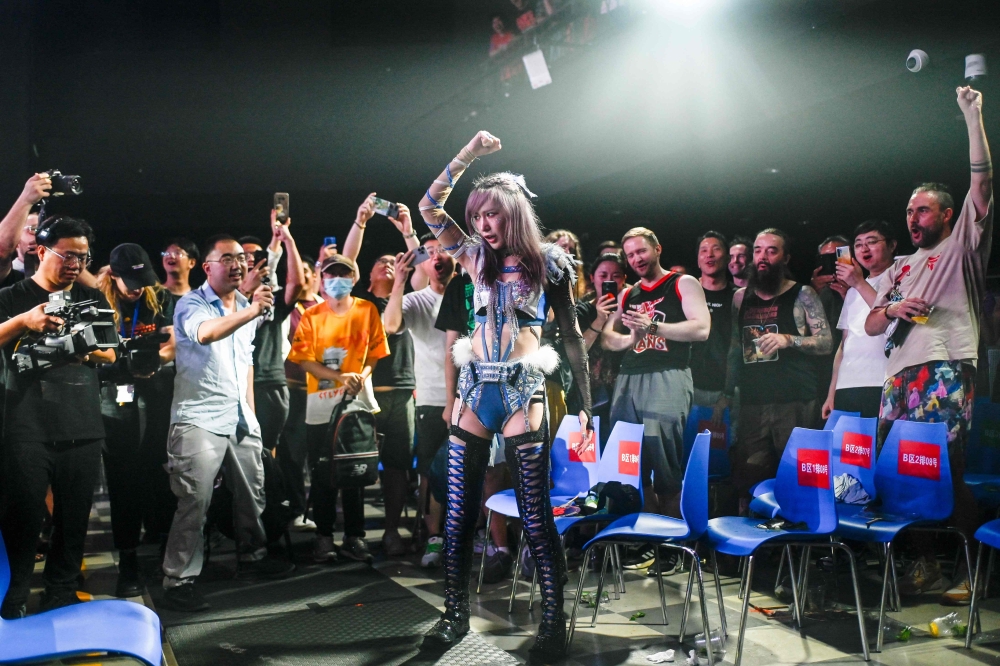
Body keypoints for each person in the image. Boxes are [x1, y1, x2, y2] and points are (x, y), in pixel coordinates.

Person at [416, 130, 592, 658]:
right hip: (475, 390)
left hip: (523, 391)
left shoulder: (550, 263)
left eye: (491, 215)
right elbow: (428, 206)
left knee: (535, 516)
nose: (482, 225)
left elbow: (574, 337)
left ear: (512, 213)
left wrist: (586, 404)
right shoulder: (472, 258)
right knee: (456, 512)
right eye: (477, 216)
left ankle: (553, 622)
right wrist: (468, 152)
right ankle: (452, 616)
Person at [864, 86, 992, 604]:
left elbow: (981, 179)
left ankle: (975, 569)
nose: (913, 218)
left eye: (922, 210)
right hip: (898, 377)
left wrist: (972, 115)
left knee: (946, 471)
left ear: (945, 215)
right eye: (909, 211)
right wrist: (890, 307)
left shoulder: (963, 244)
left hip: (943, 368)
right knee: (897, 475)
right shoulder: (900, 267)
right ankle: (922, 567)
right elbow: (874, 324)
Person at [161, 234, 293, 612]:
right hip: (198, 418)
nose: (238, 264)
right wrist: (252, 311)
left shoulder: (245, 305)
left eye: (241, 258)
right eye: (227, 258)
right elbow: (206, 334)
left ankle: (253, 556)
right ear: (207, 267)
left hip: (238, 416)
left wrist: (250, 414)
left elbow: (245, 364)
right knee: (195, 500)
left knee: (254, 492)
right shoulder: (192, 304)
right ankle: (178, 579)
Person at [0, 216, 116, 618]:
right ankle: (12, 596)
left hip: (82, 422)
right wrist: (24, 322)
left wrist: (80, 348)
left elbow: (111, 353)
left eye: (82, 257)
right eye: (68, 255)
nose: (75, 264)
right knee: (22, 517)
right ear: (41, 251)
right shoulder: (12, 296)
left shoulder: (93, 298)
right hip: (26, 424)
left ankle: (61, 591)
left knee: (74, 518)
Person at [288, 254, 389, 566]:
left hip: (358, 406)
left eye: (344, 274)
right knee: (322, 475)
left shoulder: (367, 309)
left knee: (356, 473)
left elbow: (374, 354)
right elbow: (303, 359)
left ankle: (355, 537)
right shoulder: (312, 315)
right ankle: (324, 537)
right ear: (321, 280)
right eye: (331, 275)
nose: (337, 280)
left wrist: (360, 377)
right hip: (320, 407)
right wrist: (338, 377)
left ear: (354, 278)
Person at [602, 228, 710, 517]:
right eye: (630, 255)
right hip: (628, 379)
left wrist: (652, 327)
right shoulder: (628, 293)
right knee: (630, 463)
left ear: (657, 249)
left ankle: (670, 541)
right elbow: (607, 338)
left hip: (668, 375)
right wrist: (631, 339)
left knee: (664, 464)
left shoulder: (682, 283)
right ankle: (646, 536)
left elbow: (701, 329)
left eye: (641, 251)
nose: (636, 258)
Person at [723, 228, 832, 508]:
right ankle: (753, 547)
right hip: (752, 402)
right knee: (748, 479)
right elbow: (735, 348)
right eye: (758, 250)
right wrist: (727, 391)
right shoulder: (740, 298)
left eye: (772, 251)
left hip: (795, 398)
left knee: (799, 477)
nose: (763, 257)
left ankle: (800, 544)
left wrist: (788, 339)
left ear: (785, 257)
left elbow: (826, 343)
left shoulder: (802, 293)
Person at [341, 193, 420, 557]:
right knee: (358, 465)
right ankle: (354, 534)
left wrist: (408, 233)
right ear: (368, 274)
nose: (389, 265)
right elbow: (347, 262)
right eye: (381, 262)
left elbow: (424, 266)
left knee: (399, 467)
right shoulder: (359, 300)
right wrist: (360, 222)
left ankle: (391, 530)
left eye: (395, 261)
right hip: (363, 392)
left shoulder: (409, 298)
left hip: (402, 390)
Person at [97, 243, 176, 598]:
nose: (137, 287)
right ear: (112, 275)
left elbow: (177, 340)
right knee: (123, 480)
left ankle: (163, 548)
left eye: (141, 279)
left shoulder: (159, 298)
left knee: (159, 473)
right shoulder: (97, 302)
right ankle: (127, 559)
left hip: (157, 396)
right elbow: (92, 353)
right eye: (129, 280)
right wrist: (122, 363)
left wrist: (157, 358)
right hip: (115, 400)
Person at [385, 234, 458, 564]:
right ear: (423, 264)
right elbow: (390, 324)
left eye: (443, 249)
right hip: (431, 399)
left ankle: (474, 534)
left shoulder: (471, 293)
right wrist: (399, 281)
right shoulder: (417, 300)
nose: (437, 256)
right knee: (430, 471)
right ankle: (433, 537)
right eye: (429, 253)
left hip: (472, 399)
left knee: (475, 470)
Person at [239, 212, 306, 492]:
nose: (251, 261)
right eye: (243, 257)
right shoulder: (219, 303)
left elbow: (296, 285)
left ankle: (268, 518)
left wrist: (286, 240)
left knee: (265, 452)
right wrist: (244, 292)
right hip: (232, 385)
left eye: (257, 256)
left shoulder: (270, 303)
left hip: (269, 383)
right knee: (236, 454)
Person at [820, 220, 897, 419]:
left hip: (882, 380)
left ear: (891, 245)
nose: (864, 248)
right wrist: (832, 392)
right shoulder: (853, 288)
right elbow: (844, 344)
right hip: (848, 385)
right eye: (859, 244)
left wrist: (859, 282)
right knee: (850, 449)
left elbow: (893, 318)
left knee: (880, 447)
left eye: (872, 242)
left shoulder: (901, 277)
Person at [277, 254, 322, 530]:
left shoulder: (324, 306)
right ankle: (296, 507)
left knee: (318, 455)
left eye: (307, 270)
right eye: (298, 271)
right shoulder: (286, 308)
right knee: (292, 455)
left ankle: (318, 508)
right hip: (293, 391)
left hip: (321, 392)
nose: (303, 276)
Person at [577, 251, 628, 446]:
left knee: (619, 447)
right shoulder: (582, 310)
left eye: (616, 276)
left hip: (622, 389)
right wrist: (600, 320)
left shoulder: (632, 307)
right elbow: (578, 350)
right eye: (603, 276)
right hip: (588, 393)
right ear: (592, 278)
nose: (610, 281)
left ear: (624, 279)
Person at [690, 231, 738, 411]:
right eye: (703, 250)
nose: (709, 255)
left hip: (725, 390)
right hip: (687, 386)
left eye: (715, 249)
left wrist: (729, 392)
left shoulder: (739, 296)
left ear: (727, 258)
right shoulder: (685, 295)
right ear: (697, 260)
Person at [810, 235, 850, 412]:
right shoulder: (812, 291)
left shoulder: (864, 285)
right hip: (821, 367)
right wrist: (813, 292)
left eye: (838, 256)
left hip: (850, 365)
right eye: (826, 258)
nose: (833, 263)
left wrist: (851, 296)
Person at [0, 174, 51, 287]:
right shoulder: (8, 275)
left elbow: (97, 291)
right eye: (33, 229)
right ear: (16, 240)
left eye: (43, 231)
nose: (39, 235)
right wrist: (26, 200)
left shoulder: (61, 277)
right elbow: (2, 250)